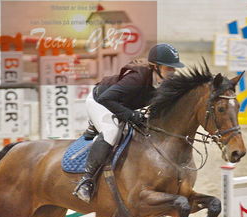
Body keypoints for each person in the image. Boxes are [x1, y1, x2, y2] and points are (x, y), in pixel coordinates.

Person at [73, 43, 185, 203]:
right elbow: (106, 99)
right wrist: (130, 115)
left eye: (174, 69)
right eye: (169, 68)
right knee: (112, 133)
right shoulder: (136, 78)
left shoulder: (162, 81)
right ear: (155, 66)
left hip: (123, 104)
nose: (173, 72)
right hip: (100, 101)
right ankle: (86, 181)